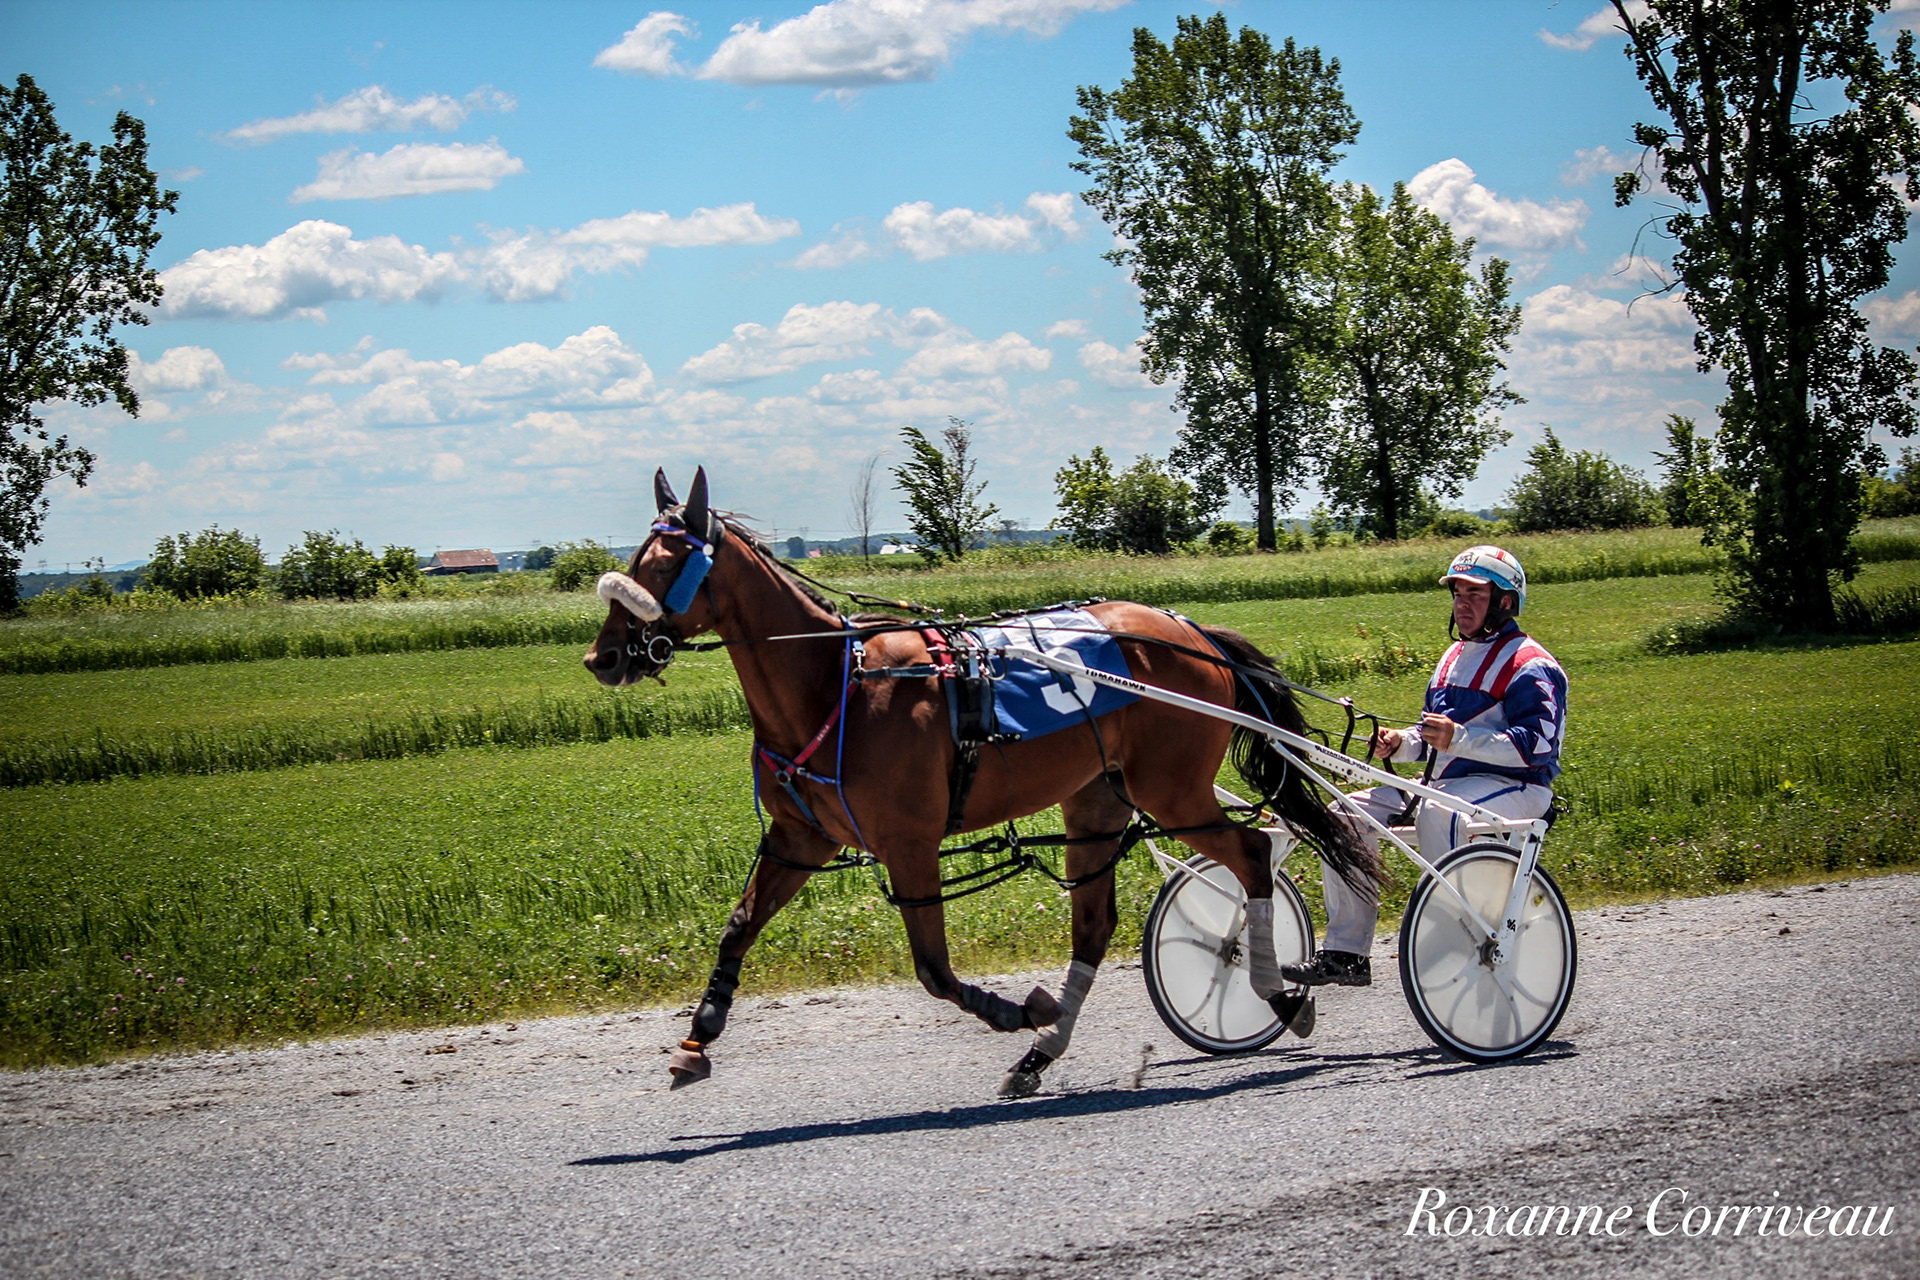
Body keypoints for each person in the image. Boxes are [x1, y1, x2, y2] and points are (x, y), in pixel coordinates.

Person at [1281, 545, 1568, 987]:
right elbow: (1432, 739)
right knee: (1342, 815)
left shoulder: (1532, 664)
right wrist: (1400, 744)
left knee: (1440, 811)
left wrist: (1460, 738)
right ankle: (1347, 952)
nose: (1462, 604)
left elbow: (1538, 746)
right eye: (1457, 594)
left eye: (1475, 594)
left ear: (1505, 602)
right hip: (1447, 783)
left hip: (1517, 787)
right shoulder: (1452, 658)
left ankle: (1463, 930)